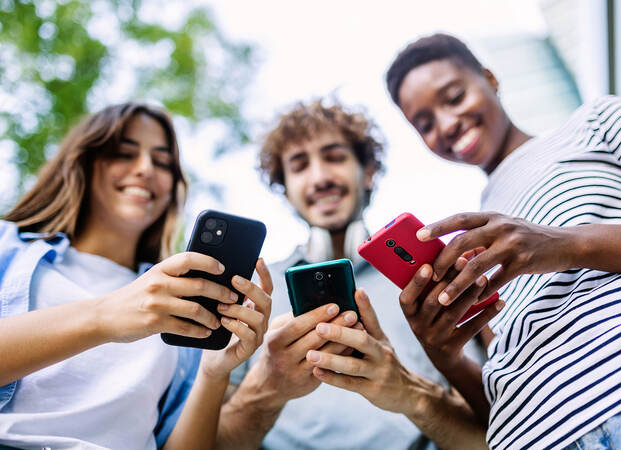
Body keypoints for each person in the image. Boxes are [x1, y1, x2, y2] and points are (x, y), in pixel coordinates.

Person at [385, 33, 621, 449]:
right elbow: (494, 404)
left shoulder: (596, 121)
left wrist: (563, 244)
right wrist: (442, 355)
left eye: (454, 96)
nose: (447, 124)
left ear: (489, 78)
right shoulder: (475, 240)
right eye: (425, 124)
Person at [216, 100, 493, 449]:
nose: (319, 177)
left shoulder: (427, 277)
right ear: (285, 190)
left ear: (367, 172)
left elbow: (488, 438)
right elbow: (214, 443)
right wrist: (266, 390)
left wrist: (407, 391)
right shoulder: (252, 290)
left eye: (334, 157)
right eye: (300, 166)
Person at [0, 102, 272, 449]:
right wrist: (105, 316)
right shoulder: (6, 246)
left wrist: (212, 374)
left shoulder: (181, 301)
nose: (145, 169)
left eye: (162, 162)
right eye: (124, 154)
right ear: (85, 162)